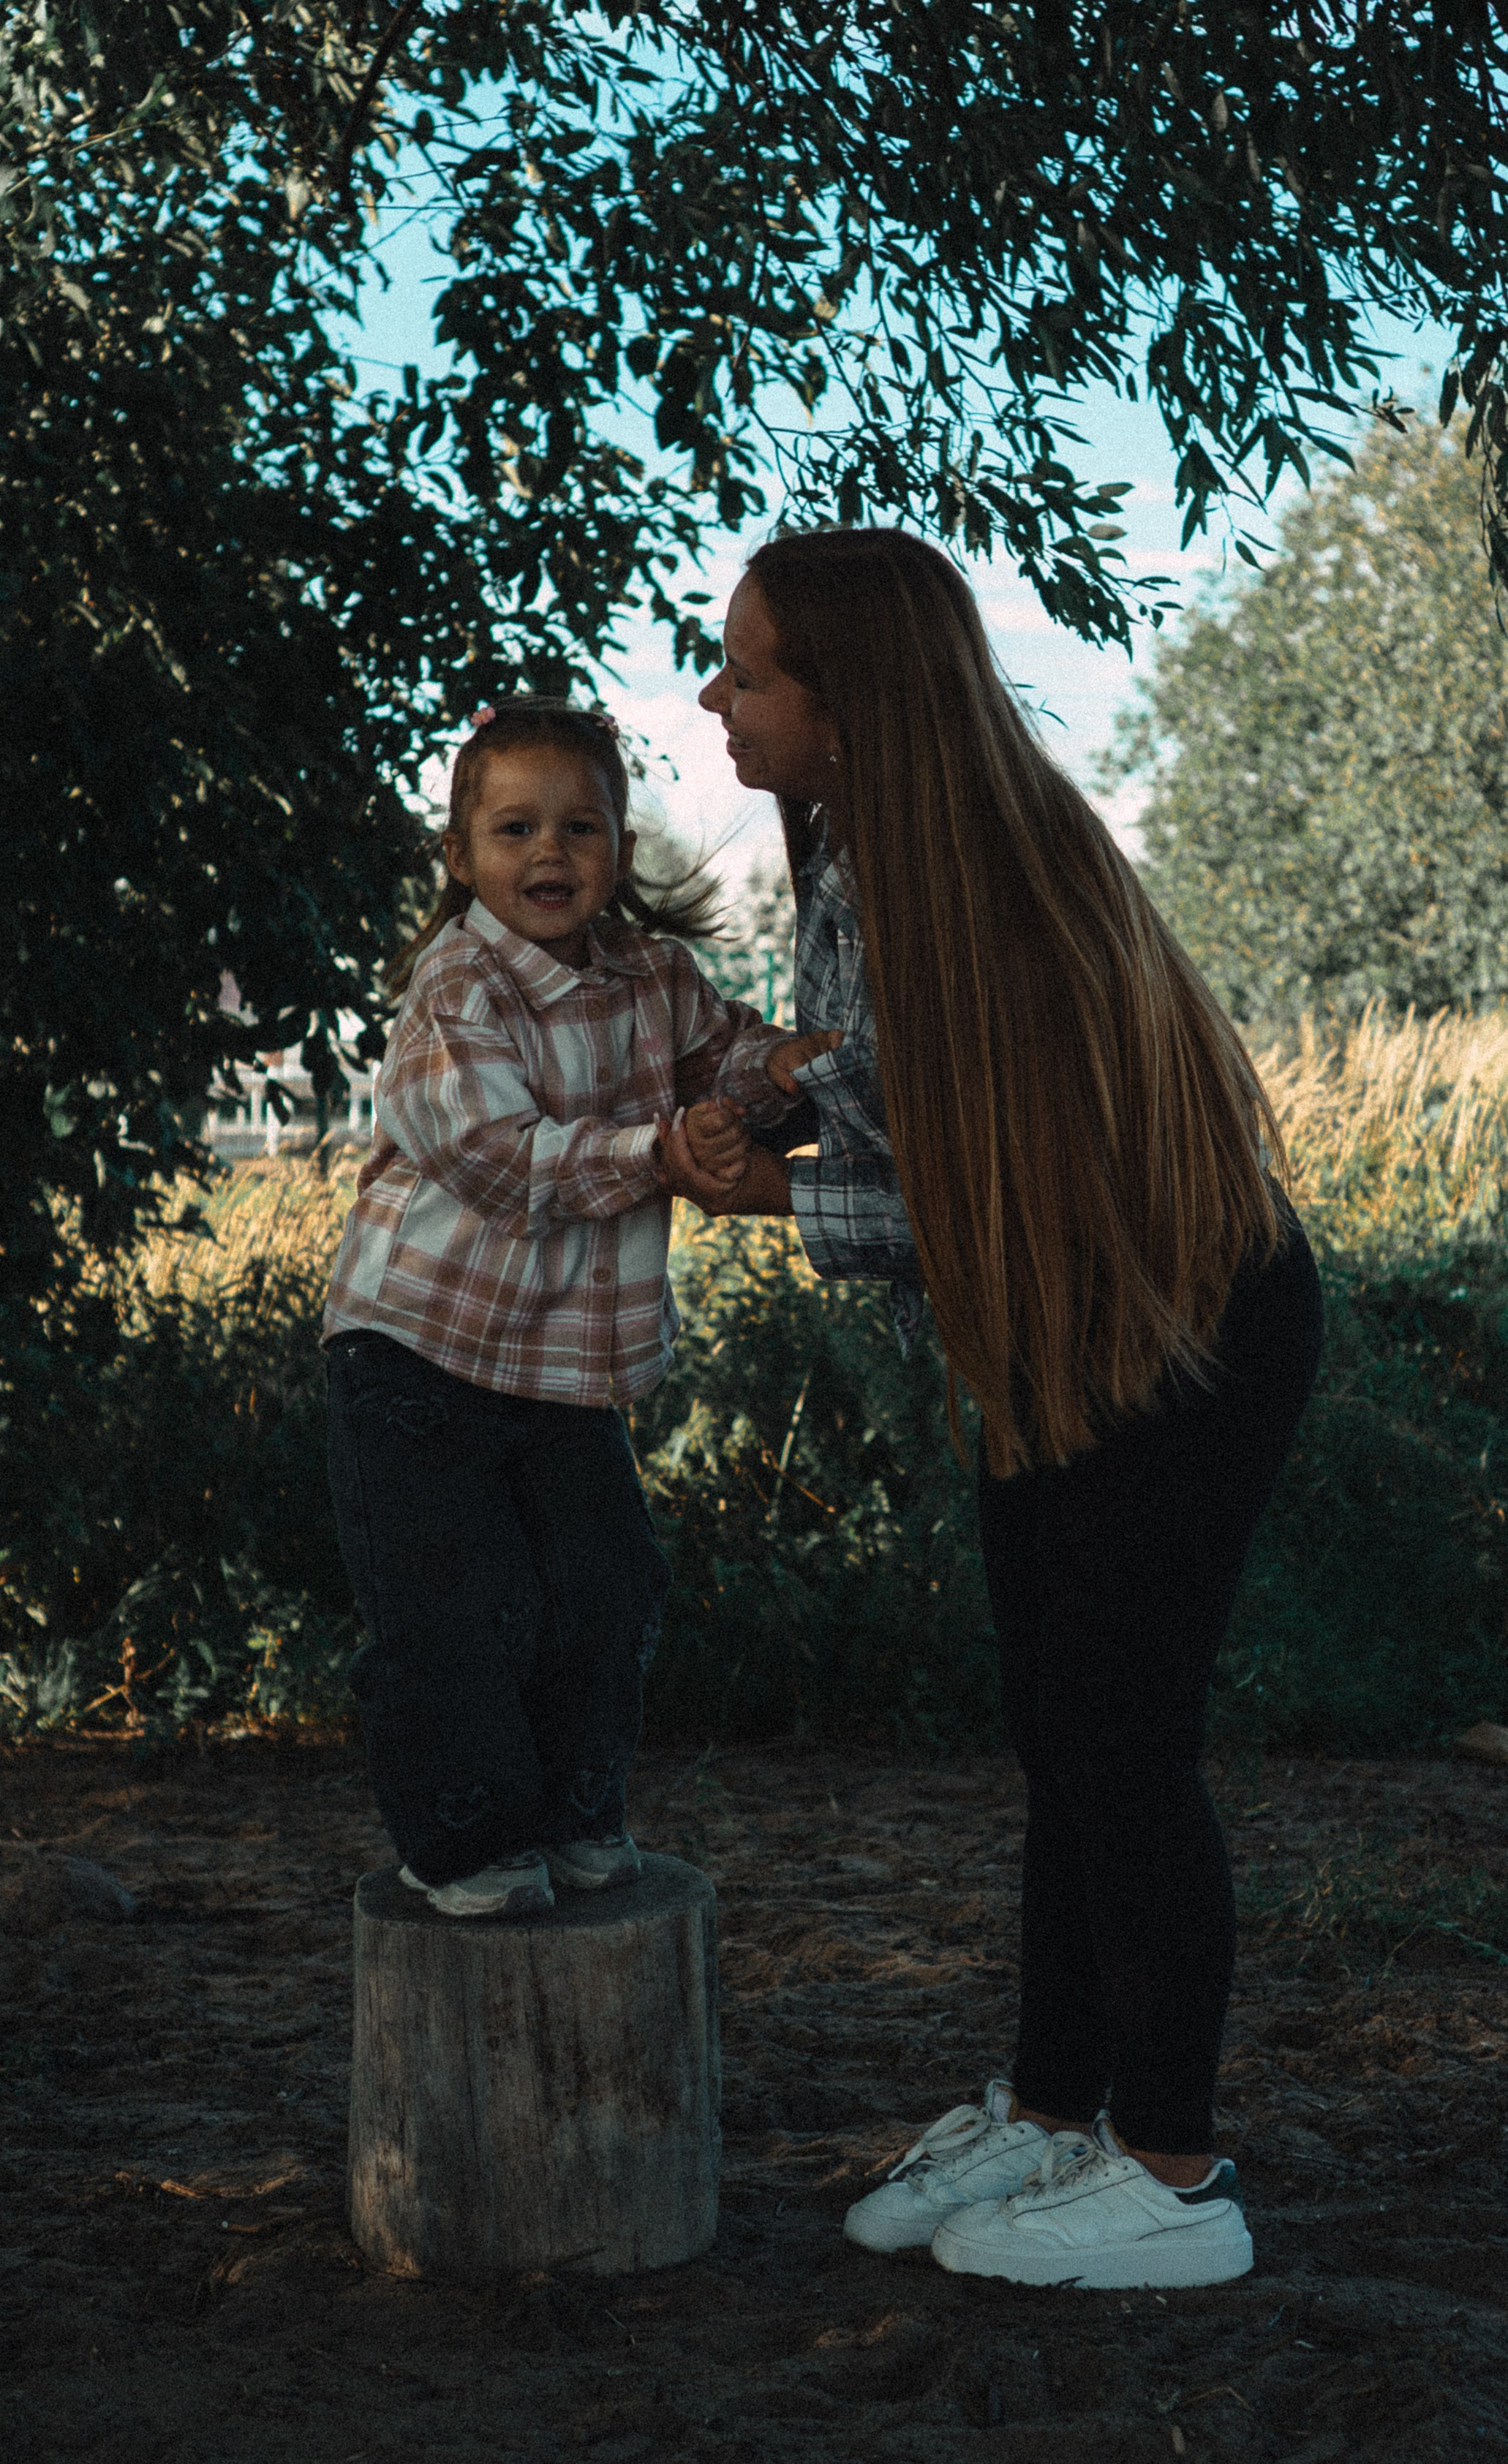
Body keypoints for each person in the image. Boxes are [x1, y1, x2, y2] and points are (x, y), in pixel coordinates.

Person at [683, 531, 1324, 2290]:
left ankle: (1175, 2178)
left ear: (850, 699)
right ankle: (1053, 2113)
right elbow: (896, 1099)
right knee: (1059, 1728)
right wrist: (776, 1092)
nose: (714, 696)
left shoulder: (971, 877)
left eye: (744, 668)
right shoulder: (869, 861)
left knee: (1121, 1736)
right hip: (1056, 1339)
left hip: (1178, 1329)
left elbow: (983, 1198)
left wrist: (734, 1187)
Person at [323, 693, 813, 1919]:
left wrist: (780, 1073)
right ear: (462, 855)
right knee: (455, 1606)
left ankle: (578, 1807)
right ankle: (468, 1840)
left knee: (604, 1582)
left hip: (561, 1366)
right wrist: (662, 1154)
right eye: (515, 829)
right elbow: (495, 1154)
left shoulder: (655, 974)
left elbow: (722, 1064)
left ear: (621, 848)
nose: (550, 854)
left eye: (581, 828)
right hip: (418, 1352)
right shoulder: (458, 989)